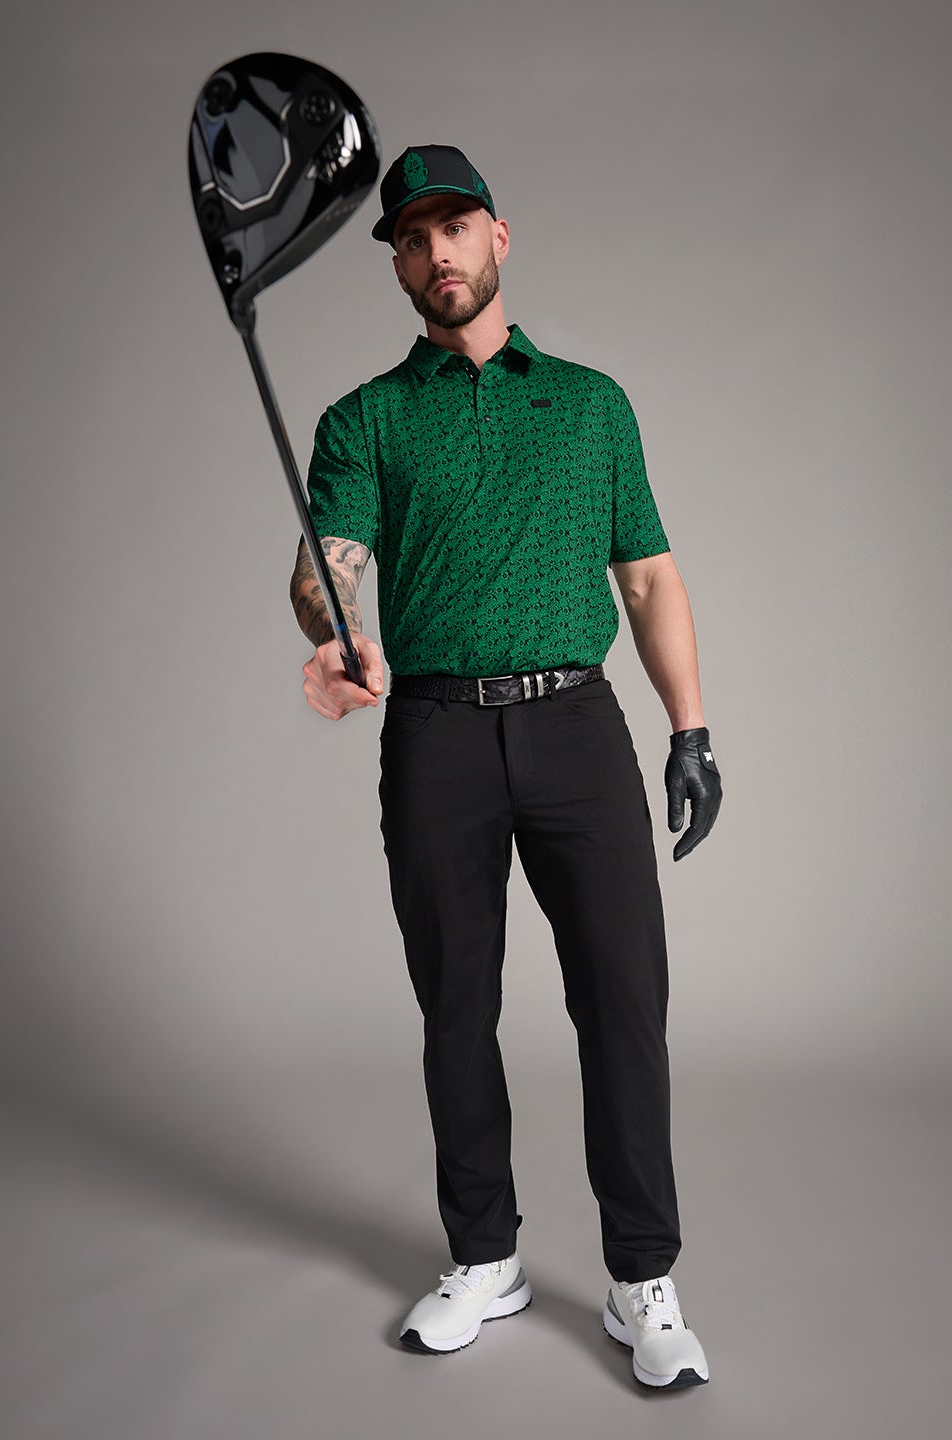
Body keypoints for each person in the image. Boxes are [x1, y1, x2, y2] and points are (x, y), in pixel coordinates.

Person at [289, 145, 721, 1390]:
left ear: (500, 236)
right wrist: (338, 628)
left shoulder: (591, 404)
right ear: (397, 265)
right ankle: (485, 1254)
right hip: (434, 733)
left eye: (457, 227)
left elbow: (649, 580)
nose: (440, 254)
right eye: (413, 239)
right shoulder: (365, 419)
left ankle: (642, 1278)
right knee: (455, 1006)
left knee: (624, 1001)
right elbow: (326, 568)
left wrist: (691, 730)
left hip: (576, 725)